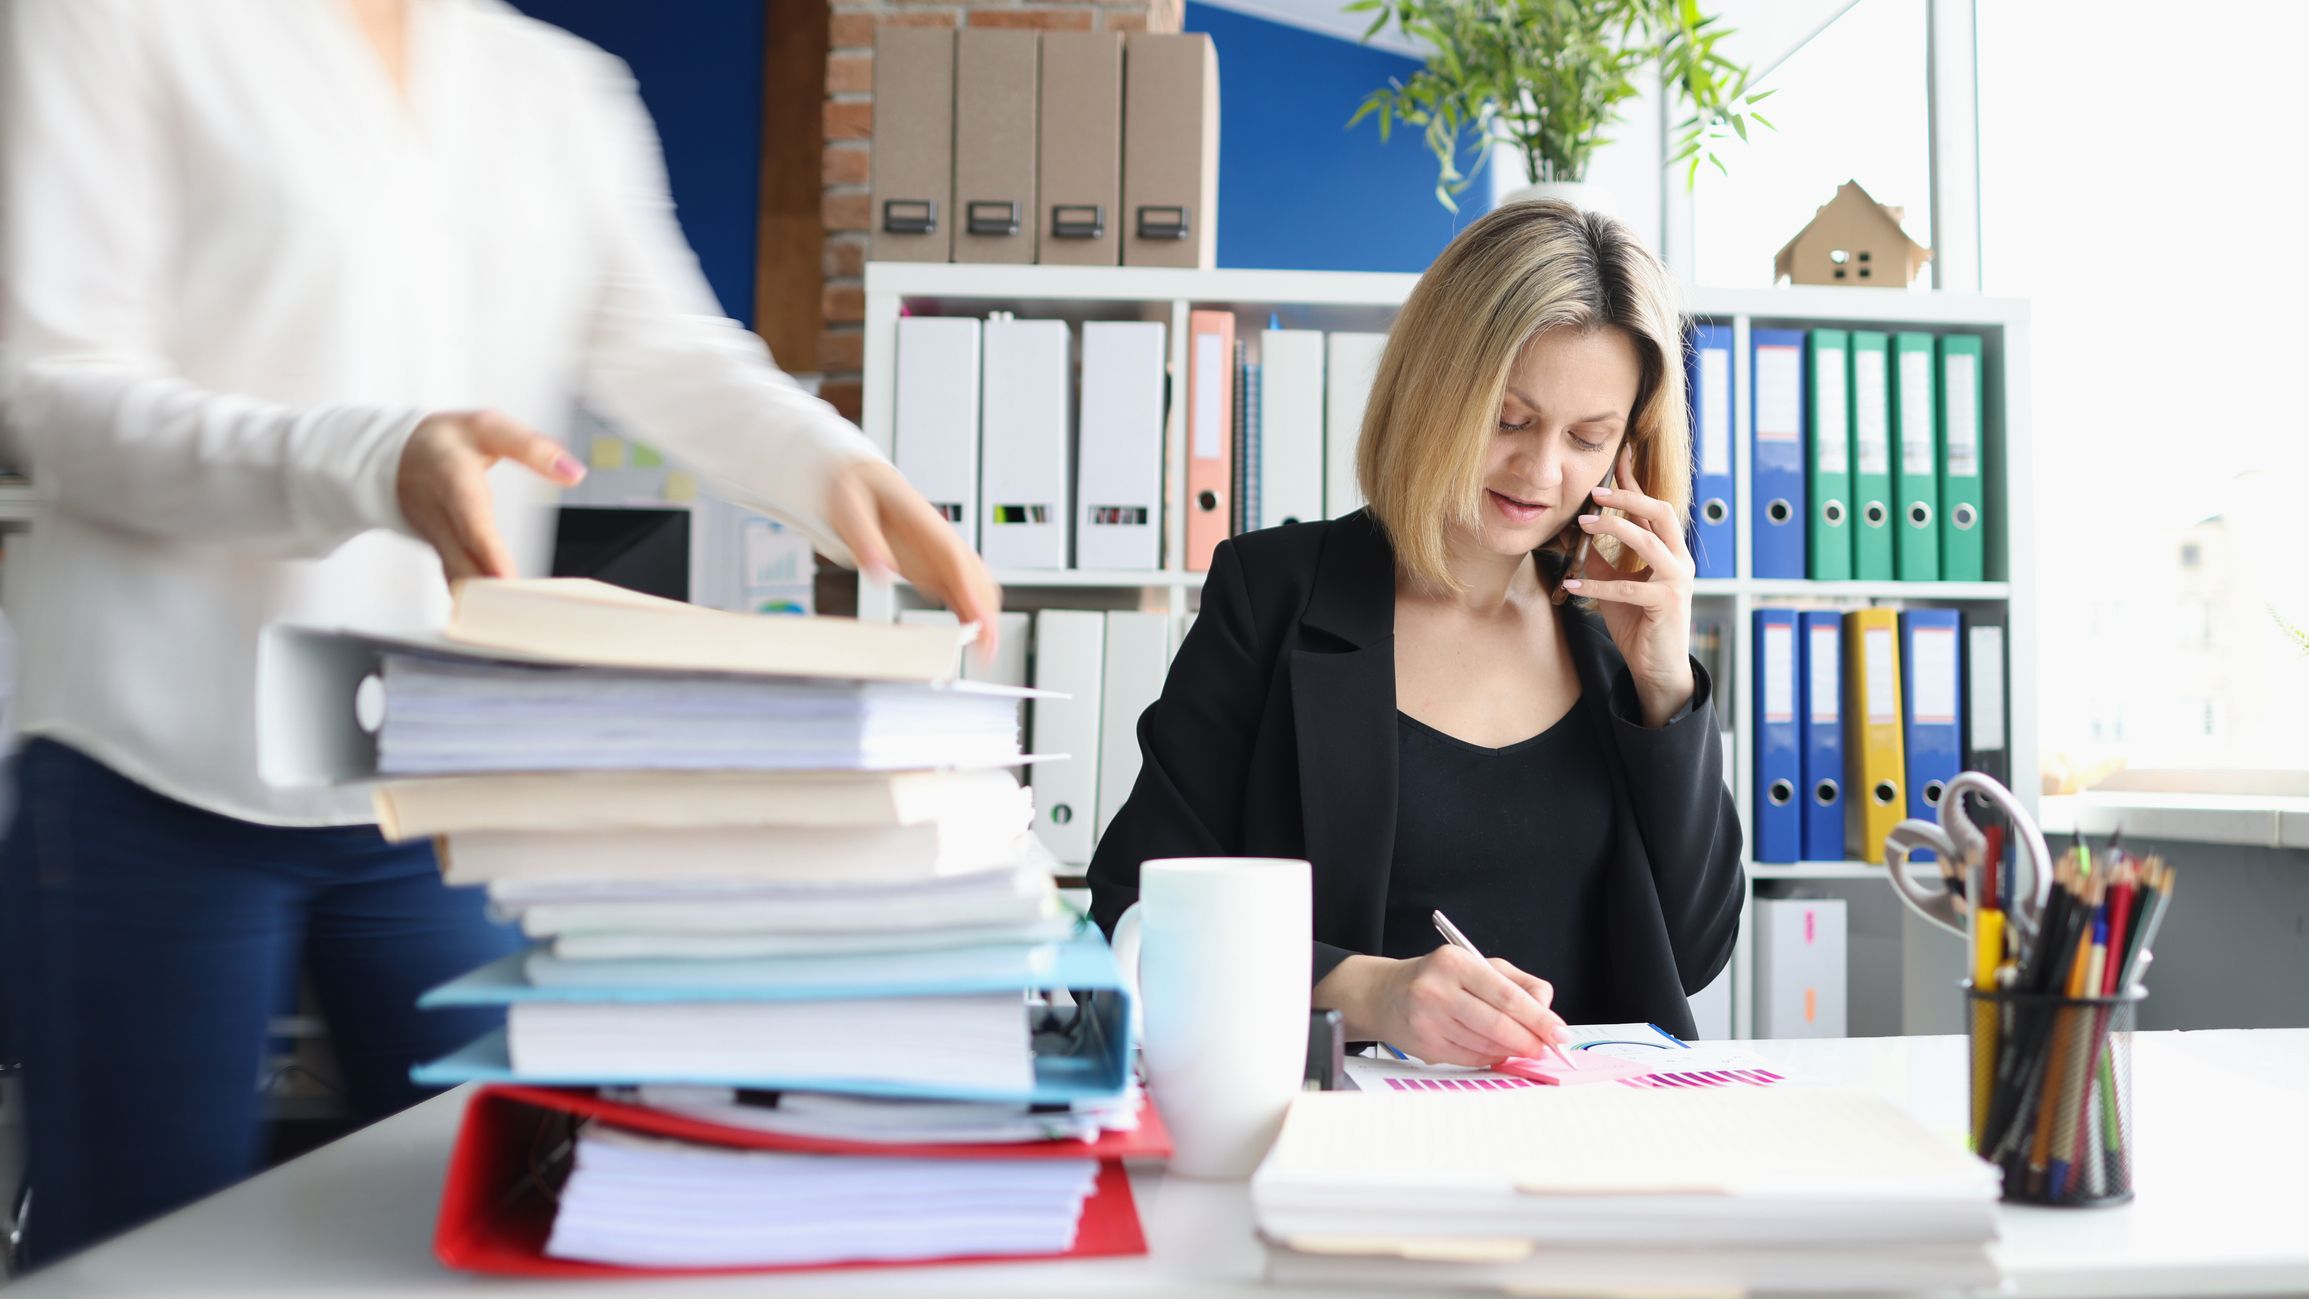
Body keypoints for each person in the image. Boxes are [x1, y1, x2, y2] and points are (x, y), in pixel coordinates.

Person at [0, 0, 998, 1262]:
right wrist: (374, 460)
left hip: (437, 785)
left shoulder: (556, 88)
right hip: (153, 763)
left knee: (504, 1223)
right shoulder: (108, 25)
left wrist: (834, 466)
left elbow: (668, 349)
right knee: (142, 1254)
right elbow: (57, 396)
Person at [1089, 200, 1742, 1065]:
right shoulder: (1273, 596)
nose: (1542, 471)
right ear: (1435, 389)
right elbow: (1132, 917)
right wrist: (1369, 991)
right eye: (1508, 419)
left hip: (1585, 1121)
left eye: (1588, 438)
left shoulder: (1613, 643)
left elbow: (1694, 951)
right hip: (1343, 1119)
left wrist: (1663, 685)